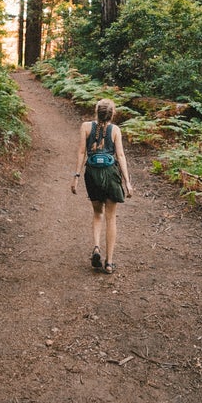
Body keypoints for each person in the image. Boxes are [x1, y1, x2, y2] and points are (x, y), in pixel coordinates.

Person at [71, 98, 133, 274]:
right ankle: (109, 262)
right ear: (112, 114)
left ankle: (97, 247)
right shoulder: (115, 130)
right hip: (110, 175)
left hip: (92, 175)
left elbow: (82, 153)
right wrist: (127, 182)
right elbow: (120, 156)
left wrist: (76, 176)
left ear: (96, 112)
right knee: (110, 218)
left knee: (97, 213)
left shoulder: (85, 127)